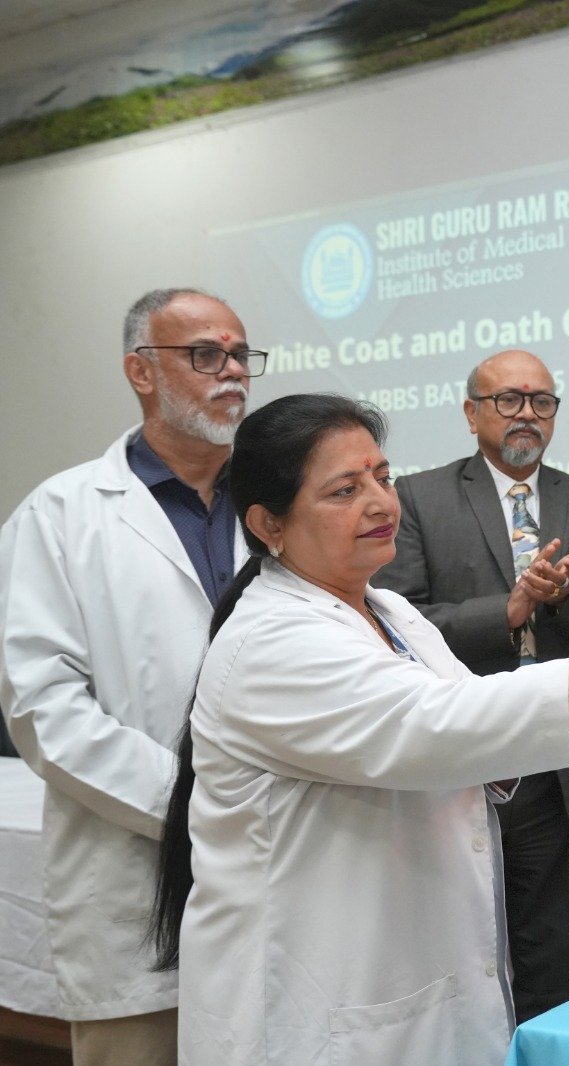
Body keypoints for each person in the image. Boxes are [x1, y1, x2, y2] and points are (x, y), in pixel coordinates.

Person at [150, 393, 569, 1066]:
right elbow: (441, 727)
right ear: (269, 524)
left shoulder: (391, 612)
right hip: (317, 1013)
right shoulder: (269, 642)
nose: (380, 502)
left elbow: (475, 725)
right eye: (345, 490)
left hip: (415, 981)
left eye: (382, 476)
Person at [0, 287, 258, 1065]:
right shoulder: (61, 515)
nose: (233, 371)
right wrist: (194, 804)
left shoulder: (279, 506)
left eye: (241, 355)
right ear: (140, 371)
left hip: (278, 882)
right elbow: (44, 708)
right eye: (206, 354)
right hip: (132, 885)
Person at [373, 348, 569, 1020]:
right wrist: (508, 610)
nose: (527, 414)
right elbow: (395, 626)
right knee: (459, 971)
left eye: (542, 401)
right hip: (461, 766)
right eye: (509, 400)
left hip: (561, 772)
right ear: (472, 414)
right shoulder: (418, 498)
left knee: (554, 979)